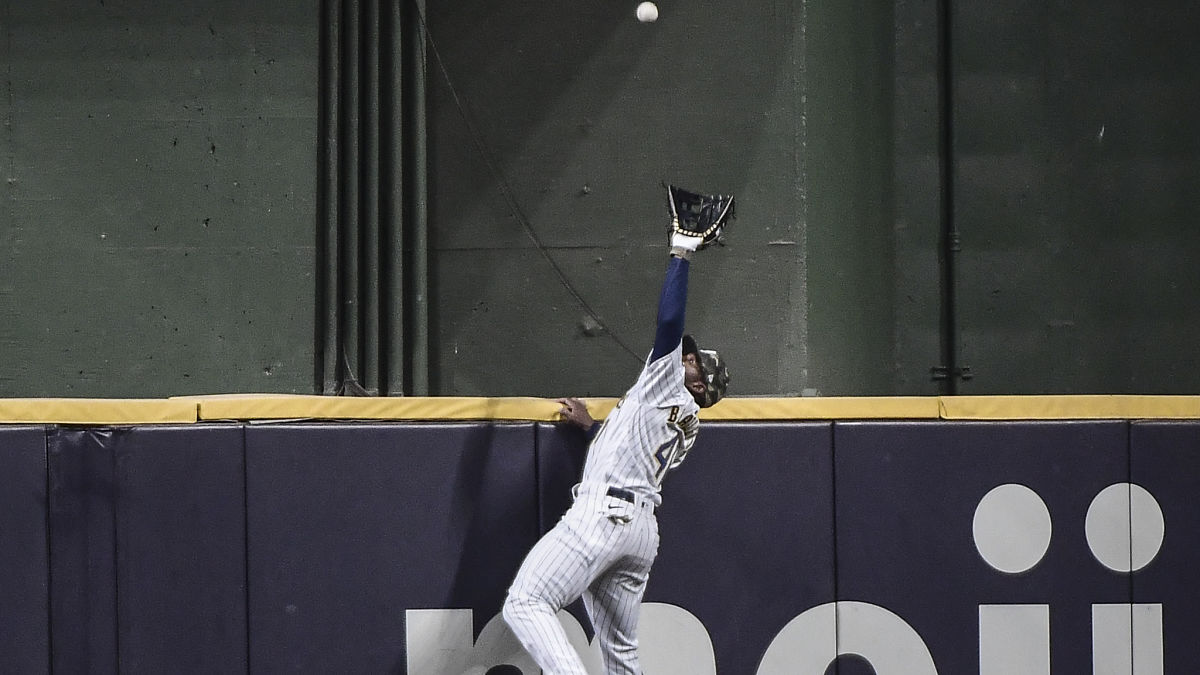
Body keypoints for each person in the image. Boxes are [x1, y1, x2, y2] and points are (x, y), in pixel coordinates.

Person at [502, 222, 730, 674]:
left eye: (692, 362)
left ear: (700, 385)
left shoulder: (669, 384)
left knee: (526, 601)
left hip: (605, 516)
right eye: (687, 356)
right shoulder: (688, 424)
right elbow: (634, 450)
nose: (684, 358)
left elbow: (669, 324)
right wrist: (592, 429)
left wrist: (681, 254)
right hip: (640, 533)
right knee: (621, 654)